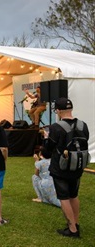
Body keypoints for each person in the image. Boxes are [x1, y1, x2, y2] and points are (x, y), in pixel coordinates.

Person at [44, 97, 89, 238]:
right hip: (78, 166)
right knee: (74, 195)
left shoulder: (55, 128)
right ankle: (75, 223)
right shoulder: (83, 125)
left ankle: (72, 229)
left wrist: (46, 138)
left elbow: (46, 152)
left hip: (61, 168)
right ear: (71, 109)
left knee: (64, 197)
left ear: (58, 110)